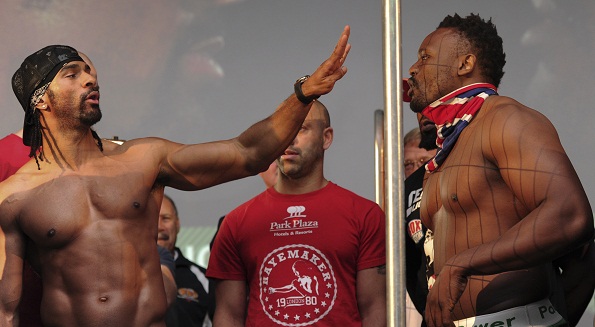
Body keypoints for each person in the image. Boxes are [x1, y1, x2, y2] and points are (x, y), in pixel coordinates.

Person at [0, 25, 351, 326]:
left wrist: (304, 93)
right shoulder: (15, 196)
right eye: (72, 74)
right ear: (41, 100)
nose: (91, 78)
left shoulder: (142, 158)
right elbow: (7, 309)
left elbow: (248, 153)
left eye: (89, 71)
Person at [406, 13, 594, 327]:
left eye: (426, 57)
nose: (413, 68)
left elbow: (570, 215)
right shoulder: (450, 148)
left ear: (465, 64)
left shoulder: (506, 119)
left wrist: (461, 265)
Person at [207, 101, 386, 326]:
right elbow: (228, 315)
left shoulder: (365, 215)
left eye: (301, 128)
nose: (289, 138)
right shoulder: (237, 222)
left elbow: (374, 309)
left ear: (326, 137)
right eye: (282, 130)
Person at [158, 194, 214, 327]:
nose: (159, 226)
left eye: (166, 218)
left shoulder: (203, 279)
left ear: (177, 224)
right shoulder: (125, 275)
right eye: (153, 219)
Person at [403, 124, 437, 327]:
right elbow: (409, 265)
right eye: (408, 164)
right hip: (429, 312)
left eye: (423, 161)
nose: (416, 169)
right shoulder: (401, 195)